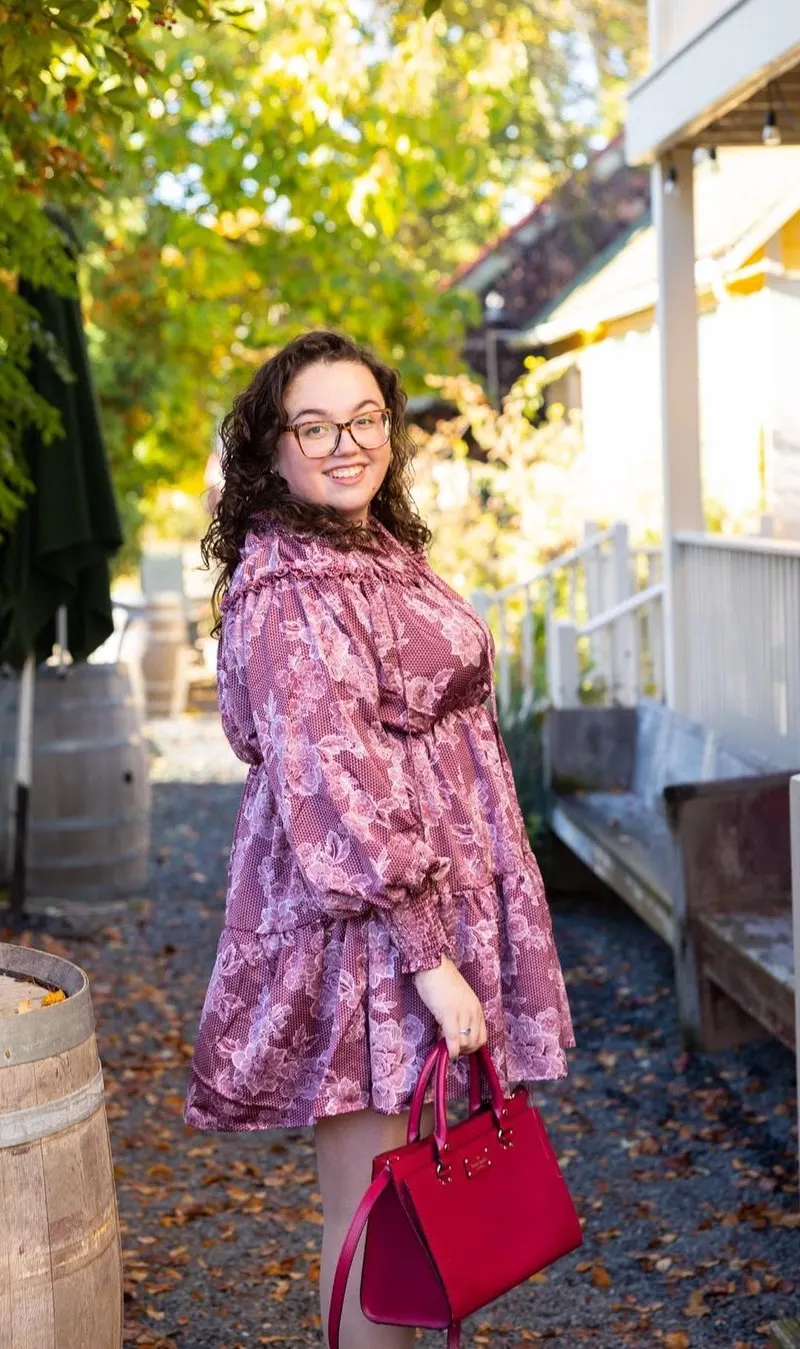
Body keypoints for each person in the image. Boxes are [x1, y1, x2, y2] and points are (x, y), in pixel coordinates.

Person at [184, 330, 575, 1348]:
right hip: (369, 935)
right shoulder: (286, 587)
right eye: (314, 425)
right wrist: (427, 951)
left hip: (428, 919)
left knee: (421, 1214)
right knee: (370, 1210)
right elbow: (333, 782)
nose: (345, 443)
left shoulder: (370, 553)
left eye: (363, 419)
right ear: (271, 449)